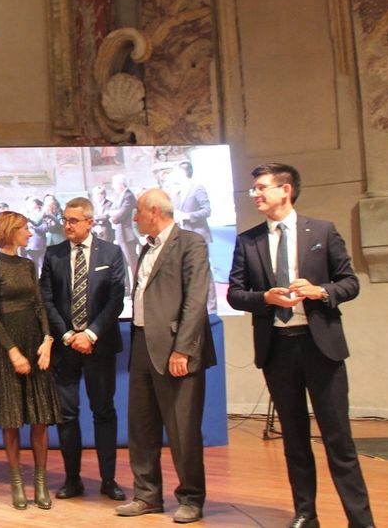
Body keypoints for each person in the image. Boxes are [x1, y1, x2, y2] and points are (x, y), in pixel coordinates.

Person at [227, 163, 375, 528]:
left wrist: (320, 291)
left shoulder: (322, 231)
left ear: (285, 190)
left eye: (262, 187)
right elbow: (235, 293)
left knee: (338, 440)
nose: (256, 194)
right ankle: (306, 514)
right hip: (277, 349)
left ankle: (361, 520)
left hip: (320, 347)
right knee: (294, 439)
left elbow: (350, 283)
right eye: (254, 189)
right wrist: (266, 298)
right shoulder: (248, 240)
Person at [116, 189, 215, 524]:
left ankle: (191, 498)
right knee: (141, 426)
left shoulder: (190, 243)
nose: (134, 218)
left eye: (138, 212)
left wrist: (183, 348)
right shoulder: (147, 246)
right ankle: (147, 495)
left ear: (154, 212)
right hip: (142, 345)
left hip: (176, 349)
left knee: (182, 430)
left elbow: (196, 300)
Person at [39, 197, 126, 504]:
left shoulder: (111, 252)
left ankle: (108, 480)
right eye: (65, 220)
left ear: (90, 222)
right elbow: (46, 299)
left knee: (104, 411)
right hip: (65, 348)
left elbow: (116, 300)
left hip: (99, 346)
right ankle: (72, 479)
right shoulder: (54, 254)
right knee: (67, 414)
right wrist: (67, 335)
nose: (67, 225)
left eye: (73, 220)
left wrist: (90, 334)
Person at [0, 211, 60, 510]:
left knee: (40, 419)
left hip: (35, 343)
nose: (29, 232)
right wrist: (13, 352)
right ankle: (17, 483)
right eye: (25, 228)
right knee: (11, 418)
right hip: (7, 350)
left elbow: (39, 306)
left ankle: (40, 483)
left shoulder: (28, 265)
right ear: (10, 230)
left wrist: (47, 340)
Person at [166, 160, 217, 313]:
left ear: (183, 173)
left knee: (203, 272)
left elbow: (207, 210)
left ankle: (211, 308)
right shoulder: (176, 192)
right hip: (182, 237)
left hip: (198, 235)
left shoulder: (197, 188)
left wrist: (187, 216)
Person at [108, 174, 139, 285]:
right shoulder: (119, 196)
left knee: (132, 263)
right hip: (121, 234)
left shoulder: (128, 196)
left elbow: (121, 214)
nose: (113, 187)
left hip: (127, 235)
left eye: (114, 184)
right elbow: (111, 210)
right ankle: (128, 287)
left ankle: (137, 286)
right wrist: (113, 214)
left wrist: (113, 218)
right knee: (123, 264)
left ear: (121, 184)